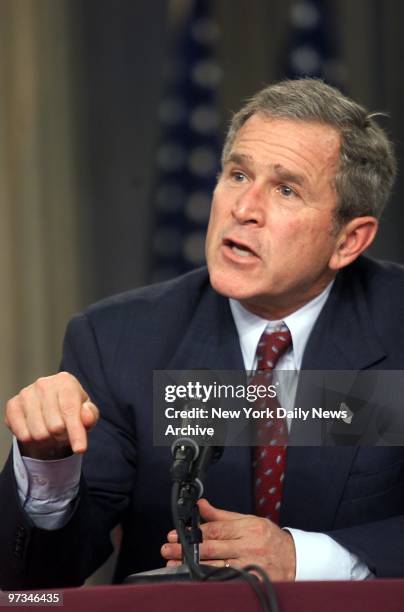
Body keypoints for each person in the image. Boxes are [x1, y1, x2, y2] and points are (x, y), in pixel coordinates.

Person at [1, 78, 404, 589]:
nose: (243, 208)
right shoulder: (118, 340)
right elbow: (36, 578)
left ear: (349, 240)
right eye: (237, 174)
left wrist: (308, 557)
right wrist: (46, 467)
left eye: (285, 189)